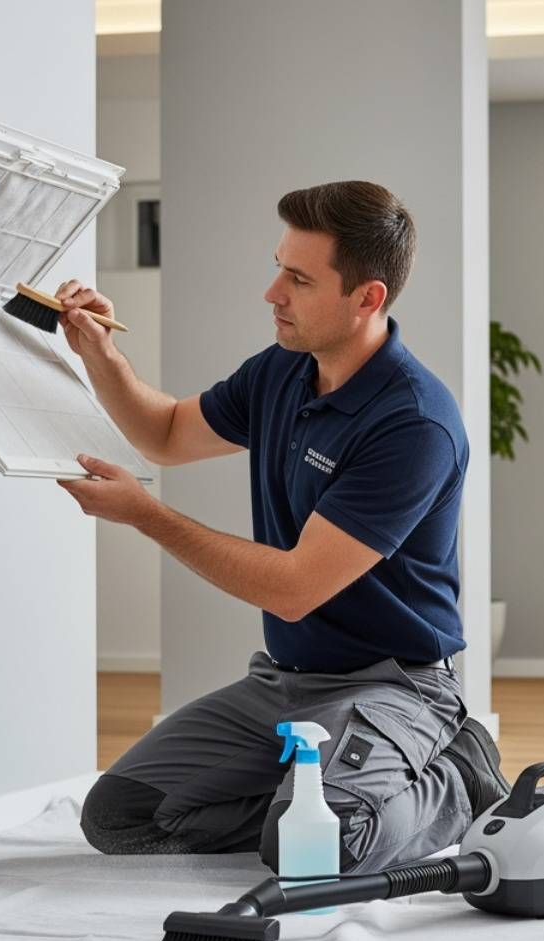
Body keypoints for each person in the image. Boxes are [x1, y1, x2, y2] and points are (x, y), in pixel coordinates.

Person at [53, 180, 508, 873]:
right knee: (121, 818)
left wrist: (145, 515)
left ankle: (458, 782)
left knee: (324, 844)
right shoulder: (284, 370)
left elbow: (296, 589)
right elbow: (167, 433)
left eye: (298, 278)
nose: (273, 293)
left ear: (368, 298)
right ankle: (304, 798)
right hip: (285, 682)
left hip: (392, 686)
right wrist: (100, 356)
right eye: (279, 268)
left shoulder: (414, 422)